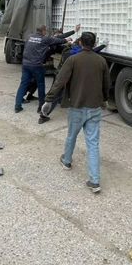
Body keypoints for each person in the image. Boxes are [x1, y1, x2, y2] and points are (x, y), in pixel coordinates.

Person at [42, 31, 110, 193]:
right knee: (93, 144)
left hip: (77, 107)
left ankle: (66, 161)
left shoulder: (73, 60)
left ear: (80, 43)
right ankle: (94, 181)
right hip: (94, 108)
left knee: (72, 135)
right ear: (93, 44)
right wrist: (105, 100)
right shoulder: (101, 61)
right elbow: (106, 84)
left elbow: (60, 81)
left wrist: (49, 100)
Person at [37, 35, 108, 124]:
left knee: (55, 91)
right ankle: (43, 114)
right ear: (80, 43)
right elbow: (91, 52)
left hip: (59, 73)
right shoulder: (77, 53)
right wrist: (103, 45)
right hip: (66, 76)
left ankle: (43, 110)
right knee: (57, 94)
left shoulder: (67, 49)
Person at [14, 23, 80, 114]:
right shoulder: (45, 39)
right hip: (37, 65)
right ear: (43, 31)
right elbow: (60, 40)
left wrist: (72, 32)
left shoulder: (29, 37)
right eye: (46, 30)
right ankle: (40, 107)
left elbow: (58, 38)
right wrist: (68, 39)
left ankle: (17, 106)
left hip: (25, 64)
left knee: (23, 84)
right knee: (41, 85)